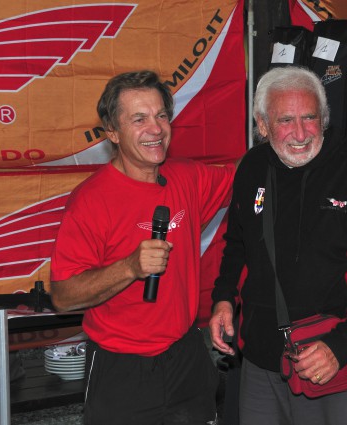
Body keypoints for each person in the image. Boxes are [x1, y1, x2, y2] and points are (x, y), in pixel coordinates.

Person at [209, 66, 347, 425]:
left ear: (323, 118)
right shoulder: (252, 168)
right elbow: (237, 244)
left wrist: (340, 348)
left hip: (334, 364)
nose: (300, 133)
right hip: (261, 362)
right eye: (285, 120)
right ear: (262, 125)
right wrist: (223, 298)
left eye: (309, 118)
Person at [50, 70, 235, 425]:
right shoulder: (91, 201)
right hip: (122, 367)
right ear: (113, 132)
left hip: (186, 357)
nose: (156, 129)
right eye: (139, 119)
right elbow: (62, 296)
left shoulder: (187, 177)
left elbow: (244, 175)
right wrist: (130, 267)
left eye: (161, 115)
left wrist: (282, 135)